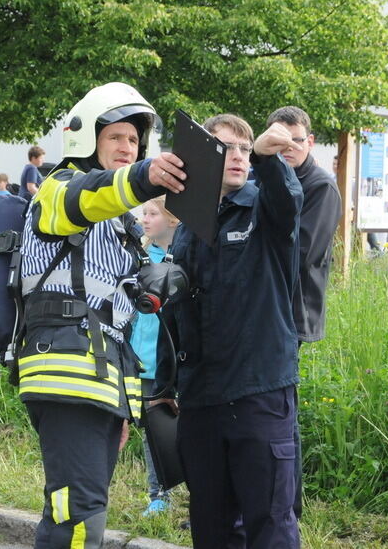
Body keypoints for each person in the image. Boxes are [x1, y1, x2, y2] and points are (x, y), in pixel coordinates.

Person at [16, 82, 184, 549]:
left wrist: (123, 409)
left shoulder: (123, 225)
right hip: (65, 369)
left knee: (77, 506)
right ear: (87, 139)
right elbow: (90, 196)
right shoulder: (59, 188)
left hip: (99, 382)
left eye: (134, 140)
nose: (127, 147)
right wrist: (148, 176)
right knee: (79, 513)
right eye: (116, 137)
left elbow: (119, 322)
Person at [155, 114, 303, 549]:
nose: (237, 156)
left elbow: (289, 201)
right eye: (226, 148)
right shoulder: (188, 229)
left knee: (270, 521)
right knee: (211, 523)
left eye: (243, 148)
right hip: (200, 399)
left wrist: (268, 158)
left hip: (259, 392)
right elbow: (175, 312)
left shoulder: (264, 207)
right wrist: (165, 384)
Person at [264, 105, 341, 519]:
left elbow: (303, 253)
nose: (288, 147)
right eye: (281, 139)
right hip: (261, 308)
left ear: (309, 142)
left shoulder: (321, 186)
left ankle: (287, 506)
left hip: (290, 313)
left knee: (281, 413)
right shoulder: (269, 175)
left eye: (296, 140)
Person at [128, 197, 180, 517]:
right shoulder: (141, 258)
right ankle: (158, 493)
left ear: (173, 220)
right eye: (143, 213)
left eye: (153, 213)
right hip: (144, 359)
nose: (145, 220)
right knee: (154, 429)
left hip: (176, 359)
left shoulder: (185, 257)